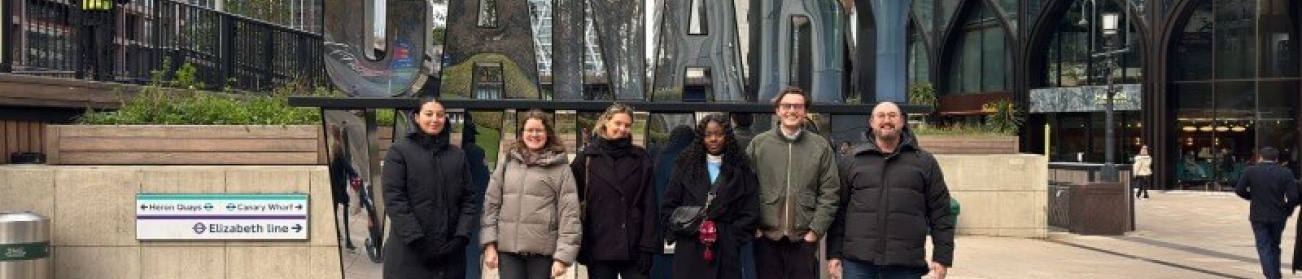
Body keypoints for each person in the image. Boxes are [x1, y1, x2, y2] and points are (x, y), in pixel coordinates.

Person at [827, 102, 955, 279]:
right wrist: (834, 254)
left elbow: (941, 213)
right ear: (871, 122)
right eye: (881, 116)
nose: (886, 120)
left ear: (902, 121)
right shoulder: (851, 160)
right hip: (858, 264)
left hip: (906, 265)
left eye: (892, 115)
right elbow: (838, 212)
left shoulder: (925, 162)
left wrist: (942, 257)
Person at [745, 86, 840, 279]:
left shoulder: (820, 146)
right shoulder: (759, 144)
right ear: (777, 110)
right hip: (766, 238)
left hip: (803, 240)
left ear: (805, 111)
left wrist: (814, 233)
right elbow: (745, 189)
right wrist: (755, 230)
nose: (792, 110)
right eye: (786, 105)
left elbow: (830, 192)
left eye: (798, 106)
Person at [381, 98, 479, 279]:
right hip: (410, 254)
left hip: (450, 257)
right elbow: (394, 199)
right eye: (429, 114)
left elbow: (468, 199)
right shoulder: (399, 151)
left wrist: (461, 237)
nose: (435, 119)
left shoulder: (457, 155)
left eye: (440, 115)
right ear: (417, 117)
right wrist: (417, 242)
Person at [481, 110, 582, 279]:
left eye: (539, 130)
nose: (534, 135)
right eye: (529, 130)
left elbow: (569, 214)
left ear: (547, 133)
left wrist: (562, 258)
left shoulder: (561, 168)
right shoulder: (508, 163)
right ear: (522, 133)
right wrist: (489, 244)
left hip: (543, 256)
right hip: (508, 253)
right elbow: (491, 205)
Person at [662, 114, 761, 279]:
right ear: (701, 137)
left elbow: (751, 212)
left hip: (726, 250)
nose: (713, 139)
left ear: (727, 137)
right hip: (690, 248)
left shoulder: (742, 170)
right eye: (708, 134)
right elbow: (669, 207)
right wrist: (688, 228)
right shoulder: (684, 166)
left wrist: (730, 237)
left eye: (719, 134)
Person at [571, 103, 661, 279]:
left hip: (634, 246)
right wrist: (581, 244)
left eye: (627, 125)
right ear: (606, 122)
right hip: (599, 246)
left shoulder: (641, 158)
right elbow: (570, 200)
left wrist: (647, 248)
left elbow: (649, 205)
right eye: (618, 123)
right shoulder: (587, 158)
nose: (622, 129)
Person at [1235, 147, 1300, 279]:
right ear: (1277, 159)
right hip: (1278, 214)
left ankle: (1272, 276)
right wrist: (1287, 210)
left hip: (1258, 214)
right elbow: (1293, 197)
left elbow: (1239, 190)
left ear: (1260, 157)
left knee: (1263, 246)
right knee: (1275, 245)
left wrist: (1252, 197)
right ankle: (1275, 274)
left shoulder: (1250, 171)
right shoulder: (1286, 172)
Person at [79, 0, 130, 81]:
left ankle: (105, 78)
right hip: (85, 15)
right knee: (89, 49)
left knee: (103, 48)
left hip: (105, 15)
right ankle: (96, 78)